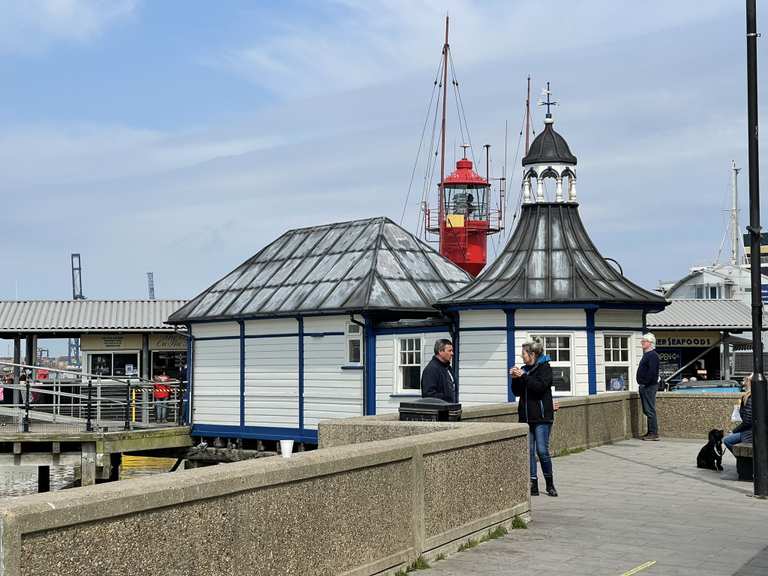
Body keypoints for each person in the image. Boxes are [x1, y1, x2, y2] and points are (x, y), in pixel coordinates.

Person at [509, 337, 557, 497]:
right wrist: (515, 379)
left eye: (524, 353)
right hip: (526, 417)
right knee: (529, 451)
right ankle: (533, 484)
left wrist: (523, 375)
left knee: (542, 451)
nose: (522, 356)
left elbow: (539, 387)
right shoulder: (524, 369)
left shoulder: (545, 369)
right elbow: (517, 392)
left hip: (542, 417)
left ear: (533, 354)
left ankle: (550, 484)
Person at [637, 333, 660, 441]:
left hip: (649, 386)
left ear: (650, 343)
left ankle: (653, 433)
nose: (642, 342)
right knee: (647, 410)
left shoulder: (652, 355)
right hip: (645, 386)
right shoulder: (647, 355)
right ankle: (650, 432)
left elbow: (652, 372)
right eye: (642, 340)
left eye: (644, 341)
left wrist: (645, 383)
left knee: (650, 409)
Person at [724, 374, 753, 454]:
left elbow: (747, 421)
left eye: (745, 380)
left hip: (750, 432)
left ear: (750, 383)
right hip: (753, 430)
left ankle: (742, 459)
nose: (743, 383)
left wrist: (734, 431)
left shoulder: (750, 398)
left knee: (727, 440)